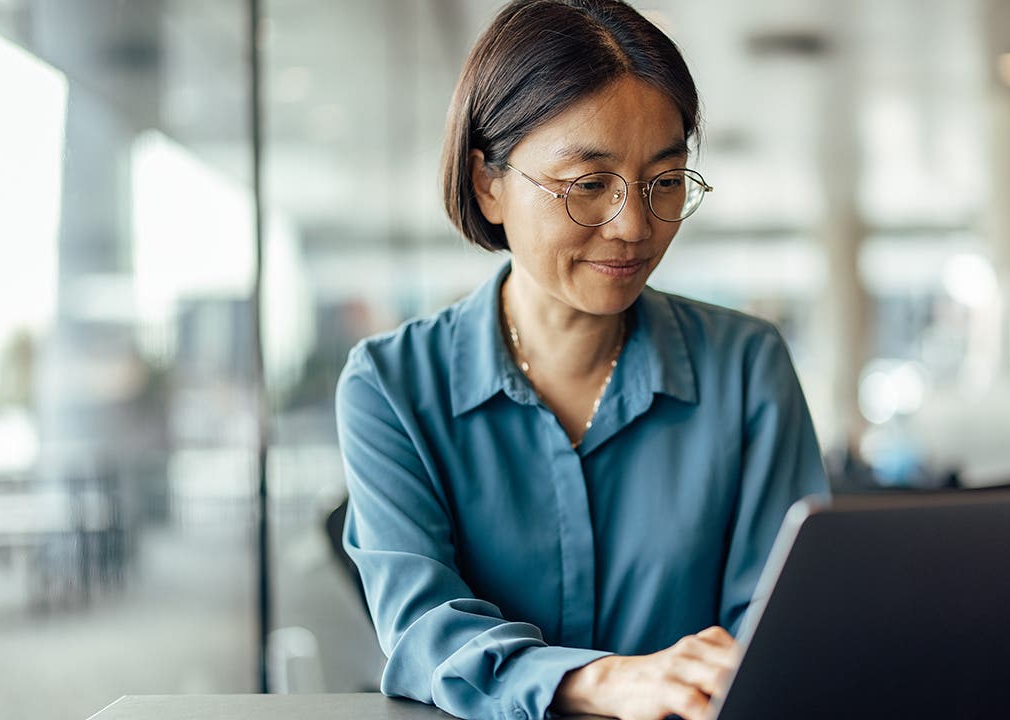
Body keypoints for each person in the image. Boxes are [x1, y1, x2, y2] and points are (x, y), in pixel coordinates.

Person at [334, 1, 828, 718]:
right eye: (588, 185)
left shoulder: (746, 367)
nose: (633, 226)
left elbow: (781, 628)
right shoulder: (391, 386)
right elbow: (424, 631)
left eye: (664, 182)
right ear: (487, 184)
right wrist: (606, 681)